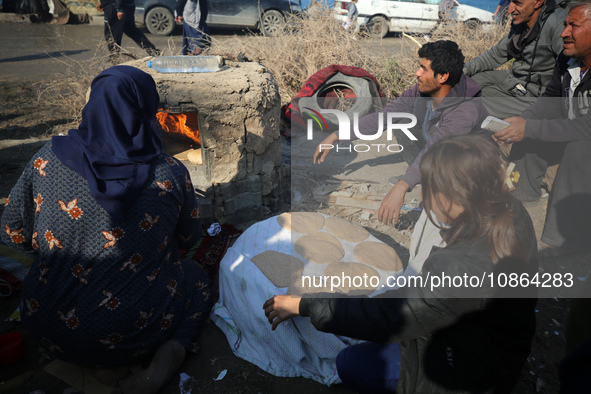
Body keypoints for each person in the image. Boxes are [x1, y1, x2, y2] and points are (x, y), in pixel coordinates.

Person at [266, 135, 539, 393]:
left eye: (430, 189)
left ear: (458, 198)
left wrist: (305, 304)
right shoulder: (508, 211)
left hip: (470, 370)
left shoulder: (461, 267)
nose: (424, 198)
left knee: (354, 364)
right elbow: (418, 301)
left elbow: (390, 317)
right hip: (488, 342)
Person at [0, 66, 211, 392]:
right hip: (134, 330)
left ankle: (102, 365)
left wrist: (60, 251)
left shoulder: (46, 159)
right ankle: (166, 357)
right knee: (195, 277)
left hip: (48, 328)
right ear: (147, 109)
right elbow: (188, 238)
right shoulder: (170, 173)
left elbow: (11, 232)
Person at [313, 40, 488, 226]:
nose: (417, 73)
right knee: (402, 121)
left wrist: (402, 186)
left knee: (444, 219)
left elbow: (436, 149)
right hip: (439, 151)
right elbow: (383, 117)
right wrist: (336, 136)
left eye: (423, 69)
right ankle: (420, 176)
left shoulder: (465, 111)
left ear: (443, 77)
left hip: (466, 166)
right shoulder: (423, 91)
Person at [492, 0, 591, 257]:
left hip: (584, 141)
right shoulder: (568, 61)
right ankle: (524, 198)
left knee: (579, 147)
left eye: (574, 26)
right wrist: (521, 123)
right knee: (529, 128)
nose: (563, 32)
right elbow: (549, 101)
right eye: (565, 24)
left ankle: (567, 244)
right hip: (574, 130)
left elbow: (587, 127)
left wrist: (531, 127)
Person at [463, 0, 566, 118]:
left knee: (474, 104)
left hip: (536, 95)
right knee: (466, 82)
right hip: (515, 79)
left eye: (518, 3)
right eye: (510, 2)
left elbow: (569, 70)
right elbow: (494, 55)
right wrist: (462, 71)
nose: (509, 10)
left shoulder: (558, 24)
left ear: (538, 2)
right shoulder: (522, 23)